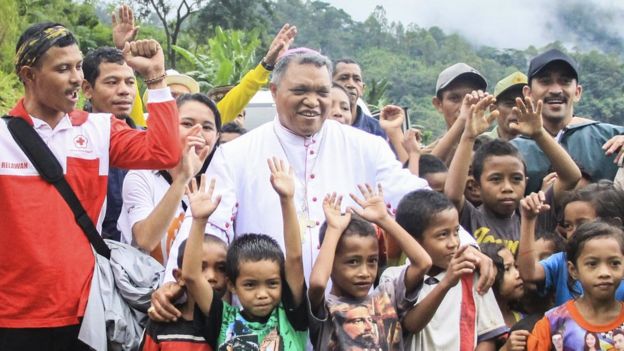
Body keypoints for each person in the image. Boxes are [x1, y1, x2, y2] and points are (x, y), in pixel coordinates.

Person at [154, 50, 496, 322]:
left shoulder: (365, 146)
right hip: (266, 320)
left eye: (321, 91)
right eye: (300, 90)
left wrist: (466, 246)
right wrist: (174, 281)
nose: (312, 101)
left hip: (349, 316)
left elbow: (416, 198)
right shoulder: (236, 154)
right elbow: (208, 223)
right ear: (274, 92)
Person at [0, 23, 180, 350]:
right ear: (29, 74)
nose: (76, 78)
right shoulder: (3, 138)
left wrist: (156, 77)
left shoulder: (99, 129)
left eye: (79, 66)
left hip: (87, 309)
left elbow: (164, 153)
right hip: (12, 316)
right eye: (62, 68)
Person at [182, 159, 308, 350]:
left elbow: (294, 257)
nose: (262, 294)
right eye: (250, 285)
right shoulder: (224, 320)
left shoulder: (290, 316)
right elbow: (191, 276)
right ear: (232, 284)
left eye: (272, 283)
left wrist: (287, 200)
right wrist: (199, 221)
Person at [445, 94, 581, 254]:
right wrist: (468, 136)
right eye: (496, 179)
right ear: (477, 185)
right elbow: (453, 195)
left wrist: (539, 134)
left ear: (526, 181)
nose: (507, 187)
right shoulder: (470, 218)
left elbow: (571, 177)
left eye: (516, 179)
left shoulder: (534, 217)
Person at [308, 185, 432, 350]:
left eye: (372, 261)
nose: (365, 273)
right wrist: (334, 229)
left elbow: (423, 263)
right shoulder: (325, 309)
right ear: (331, 261)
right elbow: (317, 284)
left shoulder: (387, 297)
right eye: (353, 262)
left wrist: (384, 220)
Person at [387, 190, 507, 350]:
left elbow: (488, 336)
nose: (454, 243)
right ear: (413, 241)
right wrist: (446, 283)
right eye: (443, 235)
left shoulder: (470, 273)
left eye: (456, 232)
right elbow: (410, 326)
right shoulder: (394, 278)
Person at [118, 93, 220, 264]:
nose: (198, 132)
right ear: (168, 129)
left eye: (207, 127)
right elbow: (145, 240)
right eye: (187, 124)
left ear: (217, 137)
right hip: (151, 289)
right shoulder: (142, 176)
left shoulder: (221, 180)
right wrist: (183, 178)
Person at [511, 49, 624, 193]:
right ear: (528, 93)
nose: (556, 90)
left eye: (565, 81)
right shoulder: (515, 150)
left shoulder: (610, 138)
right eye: (545, 81)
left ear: (577, 92)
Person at [518, 183, 624, 306]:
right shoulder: (563, 261)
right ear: (573, 270)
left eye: (582, 223)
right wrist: (529, 219)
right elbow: (528, 273)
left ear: (613, 224)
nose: (574, 232)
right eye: (568, 226)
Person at [527, 221, 624, 350]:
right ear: (573, 270)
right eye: (592, 264)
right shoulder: (553, 323)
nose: (604, 273)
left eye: (614, 263)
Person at [81, 46, 140, 240]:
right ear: (88, 89)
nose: (124, 91)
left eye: (130, 82)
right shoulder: (71, 142)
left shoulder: (144, 141)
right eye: (112, 82)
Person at [139, 234, 227, 350]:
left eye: (221, 268)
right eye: (200, 268)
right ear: (179, 276)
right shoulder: (160, 324)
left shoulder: (232, 323)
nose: (212, 276)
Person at [333, 58, 386, 138]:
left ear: (363, 89)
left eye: (356, 79)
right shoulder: (318, 126)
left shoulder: (376, 131)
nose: (351, 84)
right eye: (343, 78)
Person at [484, 72, 527, 141]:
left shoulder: (542, 145)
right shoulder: (477, 144)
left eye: (525, 104)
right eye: (509, 103)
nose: (516, 109)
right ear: (493, 108)